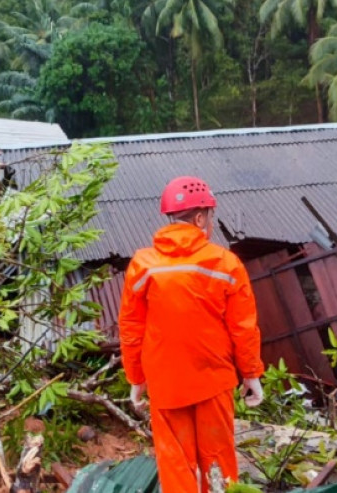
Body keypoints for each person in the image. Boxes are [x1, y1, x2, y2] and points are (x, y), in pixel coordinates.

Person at [118, 176, 264, 492]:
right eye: (211, 215)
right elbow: (243, 328)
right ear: (200, 218)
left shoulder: (143, 265)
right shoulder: (226, 263)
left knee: (176, 468)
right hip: (213, 381)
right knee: (218, 466)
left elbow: (131, 329)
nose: (211, 221)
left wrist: (136, 378)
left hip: (166, 385)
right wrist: (251, 375)